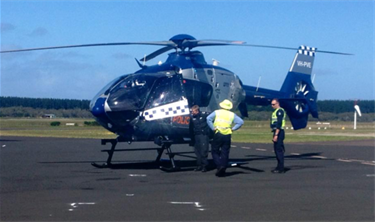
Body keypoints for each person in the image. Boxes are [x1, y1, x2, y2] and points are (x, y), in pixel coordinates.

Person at [206, 99, 244, 177]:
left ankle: (219, 165)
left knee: (215, 151)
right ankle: (223, 166)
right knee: (225, 151)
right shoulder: (232, 114)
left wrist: (213, 127)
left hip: (218, 133)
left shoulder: (217, 112)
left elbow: (208, 119)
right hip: (227, 134)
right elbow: (240, 122)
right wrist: (233, 129)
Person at [190, 105, 210, 172]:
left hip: (203, 135)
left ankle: (204, 166)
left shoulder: (204, 116)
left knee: (203, 151)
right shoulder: (192, 118)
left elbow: (210, 120)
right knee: (197, 151)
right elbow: (191, 127)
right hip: (196, 135)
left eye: (193, 111)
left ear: (197, 110)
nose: (192, 112)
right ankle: (199, 165)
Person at [270, 98, 286, 173]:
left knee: (279, 150)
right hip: (276, 131)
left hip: (279, 132)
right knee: (276, 150)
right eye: (271, 104)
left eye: (273, 104)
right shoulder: (276, 111)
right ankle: (279, 166)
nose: (272, 106)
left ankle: (281, 168)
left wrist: (276, 135)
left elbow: (279, 124)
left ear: (278, 103)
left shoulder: (280, 111)